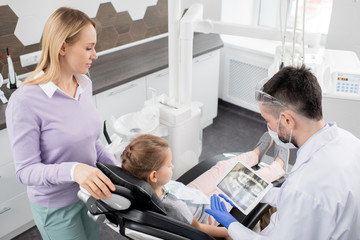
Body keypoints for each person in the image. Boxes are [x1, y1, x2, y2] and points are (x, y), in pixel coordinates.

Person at [205, 65, 360, 240]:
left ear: (287, 119)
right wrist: (262, 193)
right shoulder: (350, 141)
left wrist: (231, 225)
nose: (268, 127)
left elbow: (302, 198)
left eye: (267, 120)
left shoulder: (305, 188)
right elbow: (300, 200)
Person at [6, 7, 119, 240]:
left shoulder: (84, 84)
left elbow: (90, 139)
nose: (95, 55)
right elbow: (25, 171)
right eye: (88, 48)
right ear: (62, 47)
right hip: (55, 207)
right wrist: (74, 170)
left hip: (88, 196)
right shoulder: (25, 101)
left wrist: (119, 170)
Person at [120, 133, 288, 239]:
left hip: (187, 193)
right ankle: (278, 166)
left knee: (221, 167)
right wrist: (232, 230)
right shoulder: (175, 207)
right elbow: (199, 228)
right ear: (154, 176)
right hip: (207, 212)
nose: (172, 166)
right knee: (242, 183)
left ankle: (254, 155)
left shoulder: (146, 184)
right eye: (169, 164)